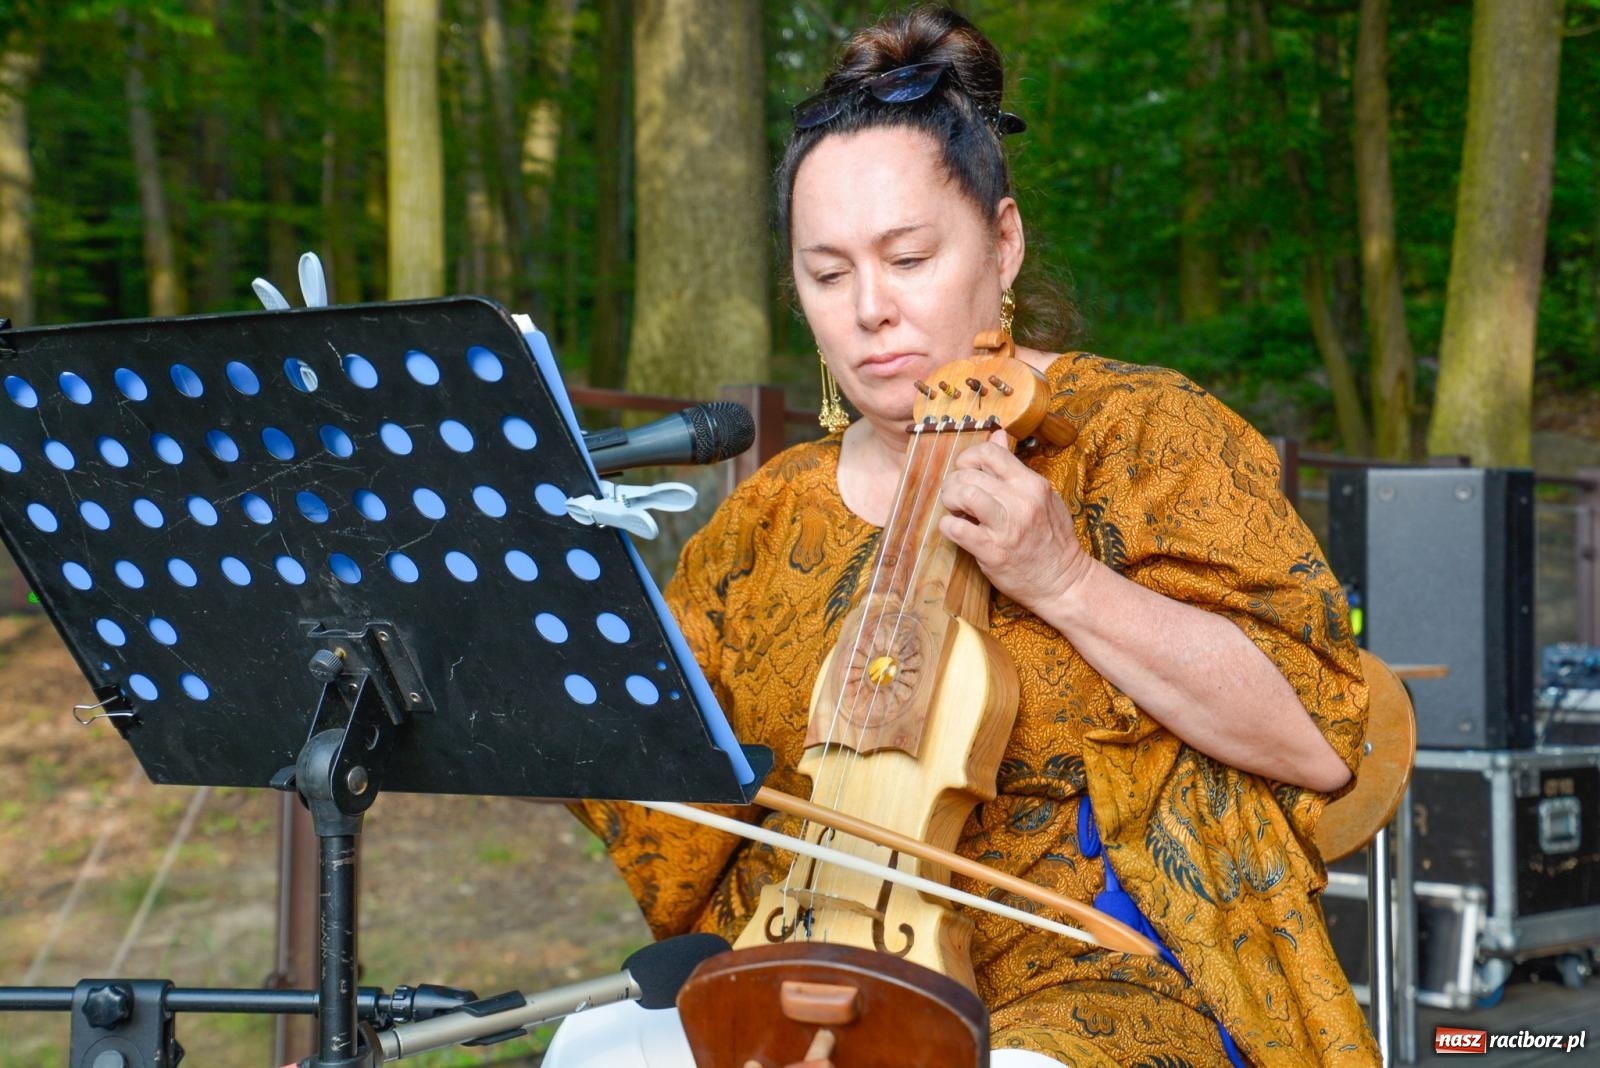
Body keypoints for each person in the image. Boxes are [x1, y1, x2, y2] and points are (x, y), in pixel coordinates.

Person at [552, 6, 1377, 1065]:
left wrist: (1064, 580)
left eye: (907, 257)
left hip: (1090, 981)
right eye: (827, 273)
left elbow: (1313, 740)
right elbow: (664, 813)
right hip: (801, 962)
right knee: (594, 1049)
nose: (869, 310)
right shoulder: (768, 515)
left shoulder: (1145, 438)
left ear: (1003, 242)